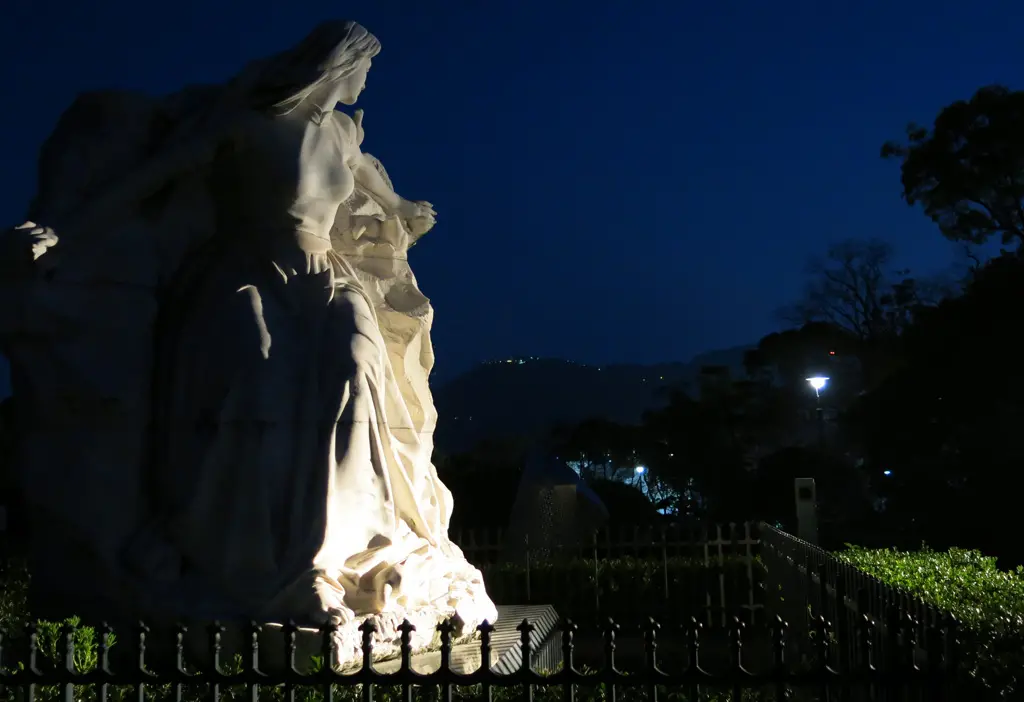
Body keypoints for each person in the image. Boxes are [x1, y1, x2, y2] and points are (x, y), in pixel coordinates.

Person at [6, 21, 496, 639]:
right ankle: (247, 555)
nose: (368, 81)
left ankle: (341, 550)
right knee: (255, 375)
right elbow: (147, 180)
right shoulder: (244, 124)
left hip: (327, 274)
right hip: (246, 271)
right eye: (365, 68)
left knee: (355, 363)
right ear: (340, 66)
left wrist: (406, 212)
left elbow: (375, 185)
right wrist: (64, 232)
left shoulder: (342, 132)